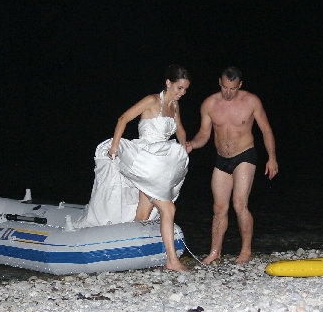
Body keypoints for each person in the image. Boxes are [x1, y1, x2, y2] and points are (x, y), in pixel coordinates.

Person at [75, 65, 192, 272]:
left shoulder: (174, 106)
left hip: (160, 164)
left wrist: (184, 146)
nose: (182, 93)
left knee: (142, 216)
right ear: (168, 83)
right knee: (168, 209)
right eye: (179, 88)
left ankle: (128, 255)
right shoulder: (152, 100)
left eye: (185, 89)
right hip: (144, 161)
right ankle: (172, 261)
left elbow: (180, 129)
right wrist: (114, 147)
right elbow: (123, 118)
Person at [188, 66, 277, 265]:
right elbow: (204, 134)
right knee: (219, 207)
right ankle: (215, 253)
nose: (229, 93)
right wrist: (191, 144)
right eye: (225, 88)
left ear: (240, 85)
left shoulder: (251, 101)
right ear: (220, 82)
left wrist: (272, 157)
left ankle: (246, 251)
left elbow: (266, 129)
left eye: (233, 89)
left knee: (239, 204)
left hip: (245, 155)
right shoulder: (209, 104)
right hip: (221, 159)